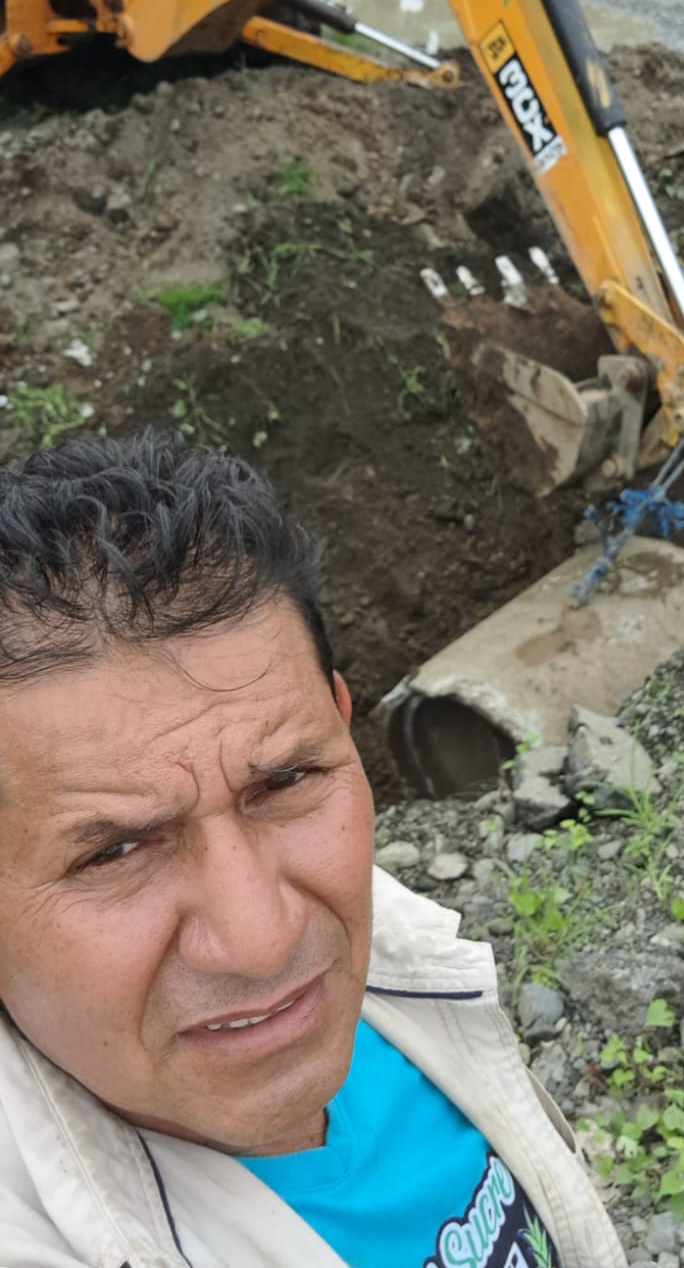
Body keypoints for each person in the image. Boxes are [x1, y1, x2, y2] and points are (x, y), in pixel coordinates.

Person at [0, 430, 625, 1268]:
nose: (264, 940)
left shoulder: (406, 956)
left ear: (342, 721)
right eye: (114, 853)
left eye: (286, 781)